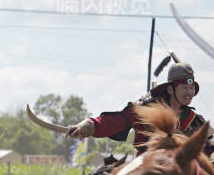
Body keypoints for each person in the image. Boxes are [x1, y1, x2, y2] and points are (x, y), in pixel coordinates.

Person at [67, 55, 205, 152]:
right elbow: (115, 121)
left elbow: (208, 150)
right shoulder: (146, 109)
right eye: (184, 88)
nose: (189, 92)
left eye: (192, 88)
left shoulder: (195, 121)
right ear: (170, 89)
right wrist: (89, 126)